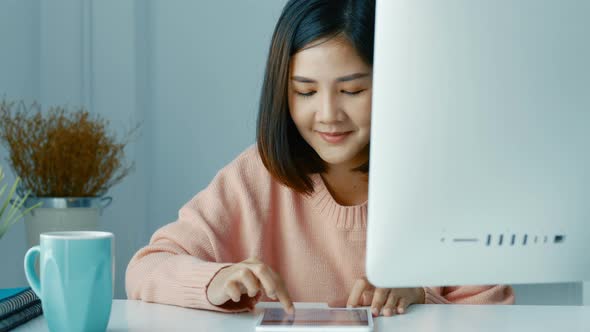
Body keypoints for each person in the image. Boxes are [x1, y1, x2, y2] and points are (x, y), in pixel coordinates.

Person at [126, 0, 515, 317]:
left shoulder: (441, 182)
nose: (329, 114)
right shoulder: (257, 176)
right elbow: (147, 266)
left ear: (396, 81)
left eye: (352, 90)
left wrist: (420, 297)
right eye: (306, 92)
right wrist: (216, 279)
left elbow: (496, 312)